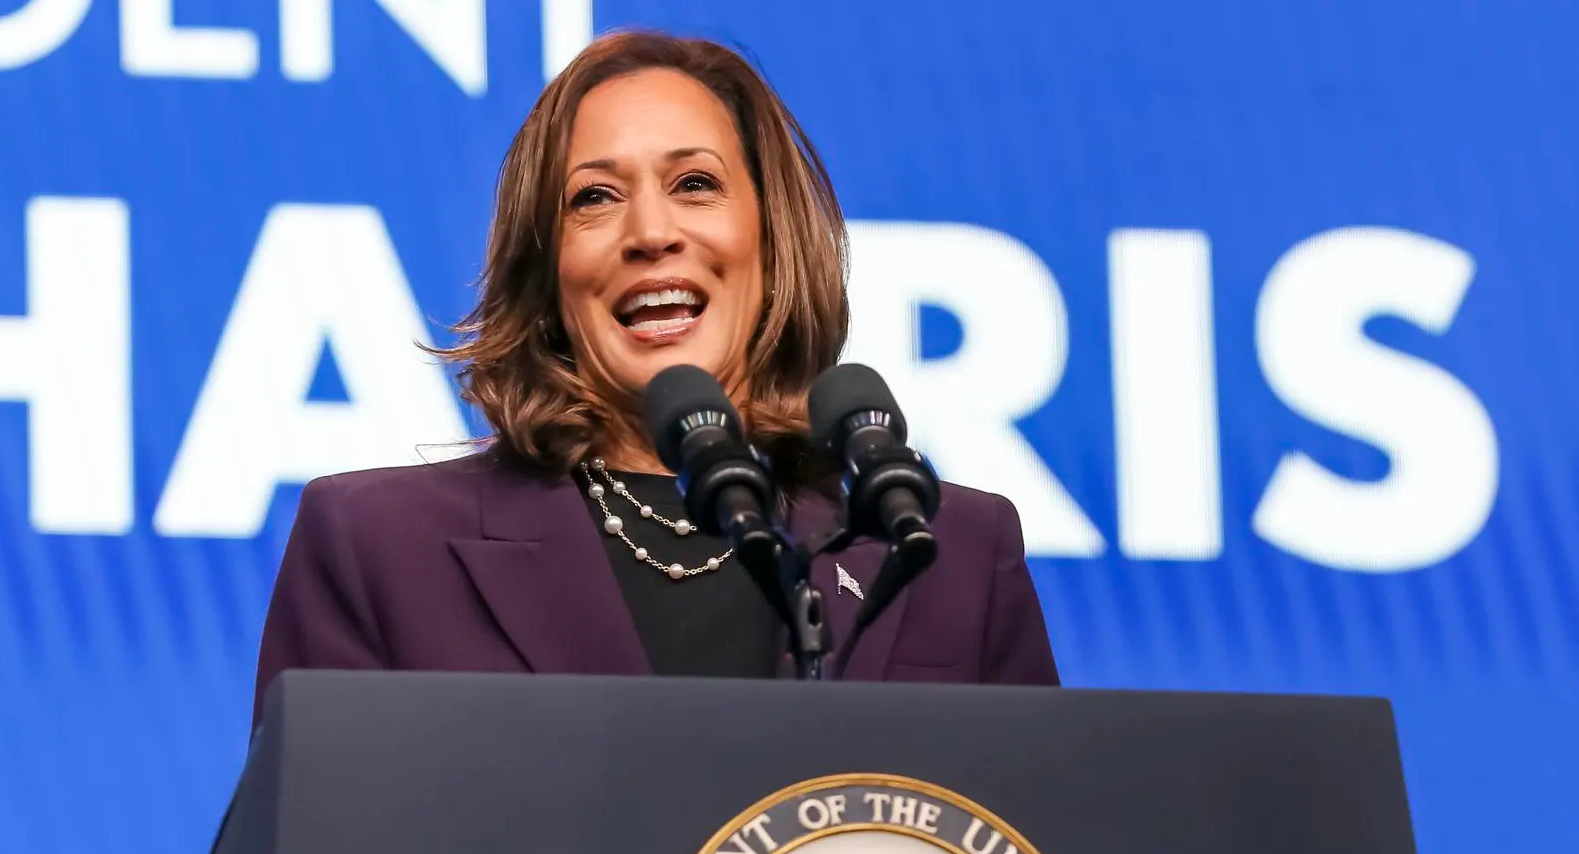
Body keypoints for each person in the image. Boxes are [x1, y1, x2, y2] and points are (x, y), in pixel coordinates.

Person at [252, 30, 1058, 726]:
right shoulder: (380, 546)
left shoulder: (946, 550)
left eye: (695, 184)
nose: (651, 233)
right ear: (547, 273)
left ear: (771, 240)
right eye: (594, 198)